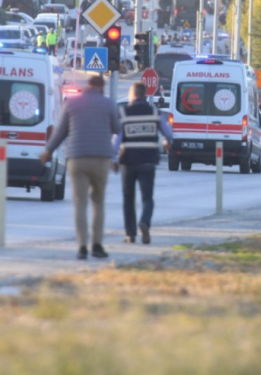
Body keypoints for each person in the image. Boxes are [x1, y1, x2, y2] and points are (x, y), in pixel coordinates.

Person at [40, 75, 120, 260]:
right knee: (98, 203)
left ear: (87, 87)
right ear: (101, 87)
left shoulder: (72, 104)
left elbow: (60, 132)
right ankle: (97, 245)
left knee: (80, 203)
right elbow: (117, 128)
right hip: (100, 159)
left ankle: (82, 247)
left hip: (77, 158)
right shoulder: (108, 104)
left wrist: (48, 151)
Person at [113, 81, 172, 244]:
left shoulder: (124, 113)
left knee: (128, 198)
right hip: (148, 160)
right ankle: (144, 222)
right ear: (144, 94)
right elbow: (168, 132)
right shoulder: (154, 112)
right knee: (147, 198)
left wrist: (113, 159)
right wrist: (167, 141)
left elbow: (117, 140)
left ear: (133, 94)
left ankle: (130, 234)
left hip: (128, 161)